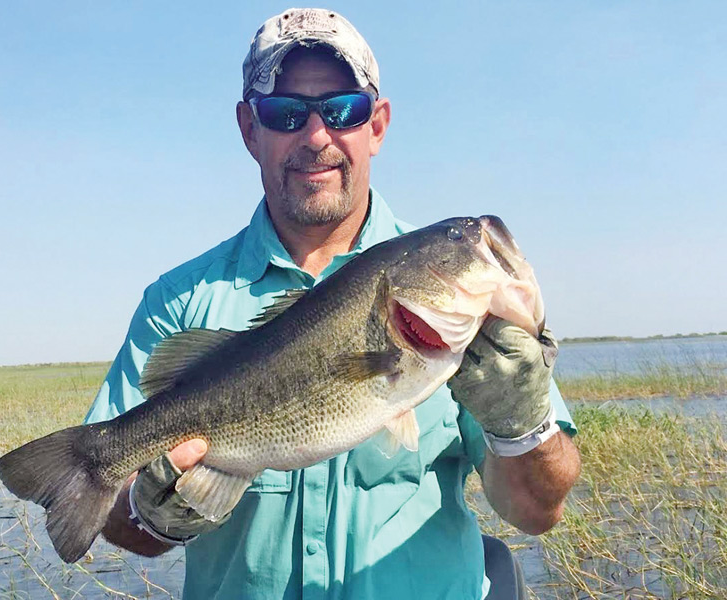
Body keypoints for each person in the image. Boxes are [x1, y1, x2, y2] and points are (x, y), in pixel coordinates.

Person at [84, 8, 581, 599]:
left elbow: (535, 512)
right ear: (249, 130)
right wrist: (146, 514)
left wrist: (522, 426)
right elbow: (116, 519)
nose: (316, 136)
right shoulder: (177, 301)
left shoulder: (479, 322)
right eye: (285, 113)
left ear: (377, 125)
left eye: (342, 109)